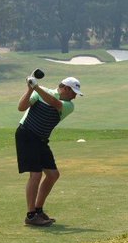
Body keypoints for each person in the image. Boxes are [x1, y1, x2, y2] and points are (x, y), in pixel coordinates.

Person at [15, 74, 82, 227]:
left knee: (53, 175)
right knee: (36, 174)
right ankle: (31, 216)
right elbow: (21, 107)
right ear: (65, 88)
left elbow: (53, 102)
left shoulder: (68, 105)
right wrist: (29, 89)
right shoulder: (39, 92)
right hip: (26, 134)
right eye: (73, 93)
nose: (74, 97)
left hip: (41, 139)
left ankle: (38, 210)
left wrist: (36, 87)